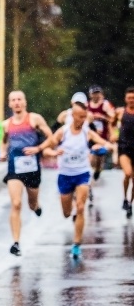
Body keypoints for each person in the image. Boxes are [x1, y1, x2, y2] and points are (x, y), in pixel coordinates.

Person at [26, 102, 112, 258]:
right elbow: (46, 148)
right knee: (66, 213)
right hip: (65, 175)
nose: (83, 120)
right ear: (73, 116)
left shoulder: (87, 132)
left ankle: (77, 244)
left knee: (80, 207)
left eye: (85, 117)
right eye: (81, 117)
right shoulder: (63, 132)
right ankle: (71, 211)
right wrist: (53, 153)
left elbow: (105, 143)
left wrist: (102, 147)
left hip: (82, 173)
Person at [0, 90, 53, 256]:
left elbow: (52, 137)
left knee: (31, 204)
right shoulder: (6, 124)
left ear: (25, 102)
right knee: (16, 203)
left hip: (32, 168)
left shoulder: (34, 119)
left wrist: (39, 148)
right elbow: (3, 141)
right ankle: (16, 243)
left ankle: (36, 206)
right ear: (9, 104)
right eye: (13, 100)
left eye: (19, 99)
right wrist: (2, 152)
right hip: (14, 168)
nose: (16, 102)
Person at [87, 85, 115, 181]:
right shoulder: (87, 106)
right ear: (90, 95)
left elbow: (113, 119)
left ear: (100, 94)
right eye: (94, 93)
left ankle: (98, 170)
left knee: (99, 157)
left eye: (97, 93)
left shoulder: (105, 105)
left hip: (102, 136)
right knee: (91, 158)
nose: (96, 96)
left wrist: (102, 117)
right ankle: (89, 174)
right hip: (90, 136)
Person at [115, 87, 134, 219]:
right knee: (127, 173)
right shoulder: (120, 112)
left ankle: (130, 204)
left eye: (133, 98)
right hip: (124, 148)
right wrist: (113, 134)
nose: (131, 100)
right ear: (125, 99)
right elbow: (112, 125)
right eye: (129, 98)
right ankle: (124, 198)